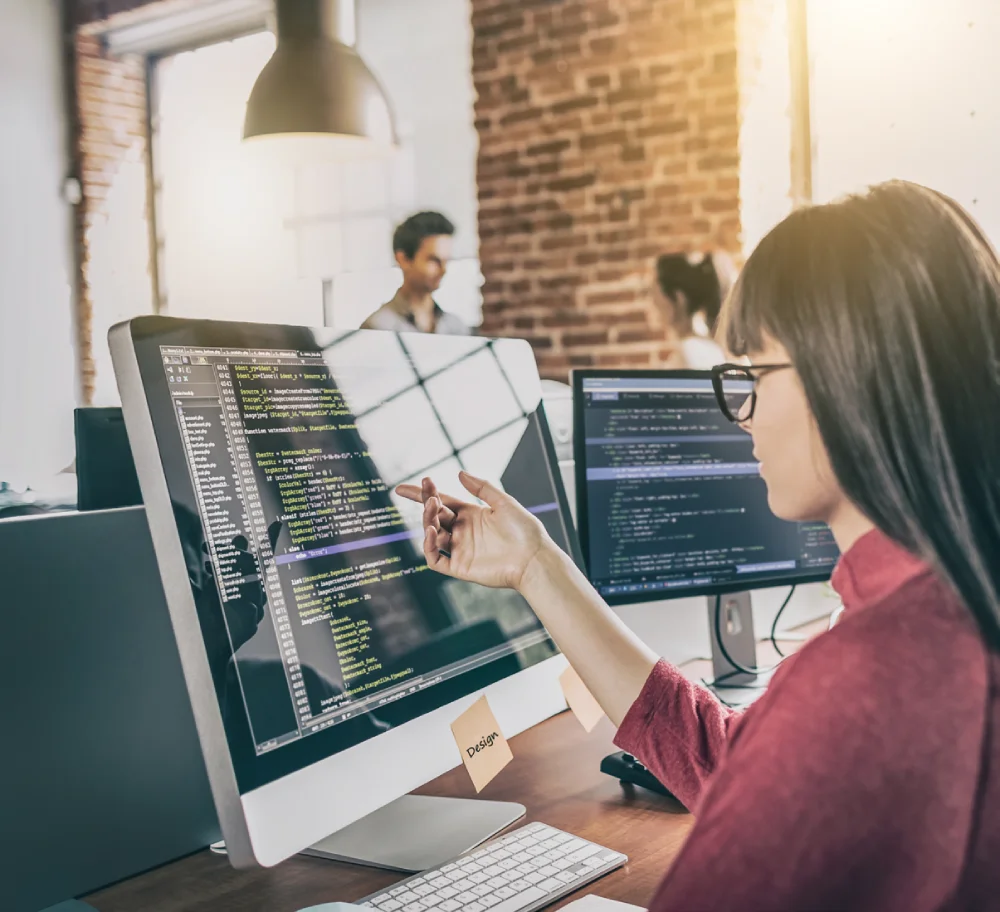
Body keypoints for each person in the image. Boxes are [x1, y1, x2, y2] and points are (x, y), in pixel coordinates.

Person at [397, 181, 1000, 909]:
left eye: (753, 374)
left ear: (849, 377)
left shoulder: (867, 682)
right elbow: (737, 767)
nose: (740, 415)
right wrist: (535, 563)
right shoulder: (956, 608)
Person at [360, 211, 470, 335]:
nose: (444, 270)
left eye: (447, 260)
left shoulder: (456, 327)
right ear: (403, 260)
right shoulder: (376, 326)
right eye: (434, 260)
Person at [654, 250, 735, 368]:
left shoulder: (689, 352)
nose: (653, 303)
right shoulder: (703, 348)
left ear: (678, 298)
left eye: (656, 296)